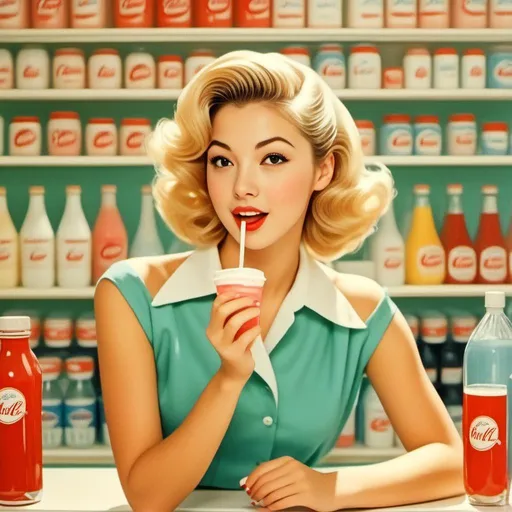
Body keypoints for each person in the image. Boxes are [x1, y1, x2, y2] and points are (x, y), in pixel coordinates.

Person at [94, 50, 463, 512]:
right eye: (223, 161)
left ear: (323, 170)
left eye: (272, 158)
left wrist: (329, 488)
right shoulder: (132, 295)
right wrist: (229, 379)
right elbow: (146, 496)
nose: (243, 186)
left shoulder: (362, 311)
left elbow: (452, 462)